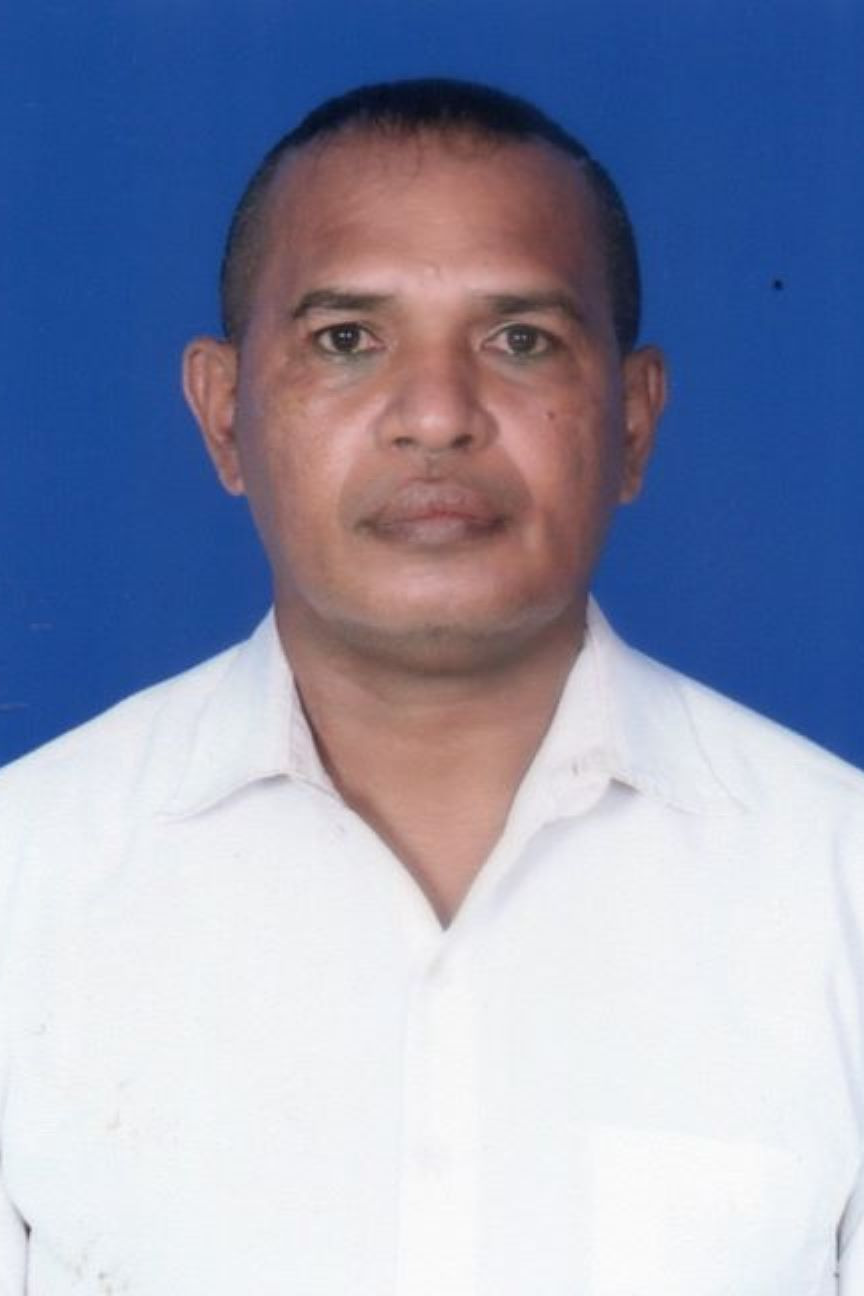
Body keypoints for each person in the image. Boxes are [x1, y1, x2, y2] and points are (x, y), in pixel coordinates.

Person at [1, 77, 862, 1295]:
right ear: (223, 414)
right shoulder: (27, 885)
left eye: (521, 341)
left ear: (632, 422)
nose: (438, 417)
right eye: (347, 340)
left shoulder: (837, 892)